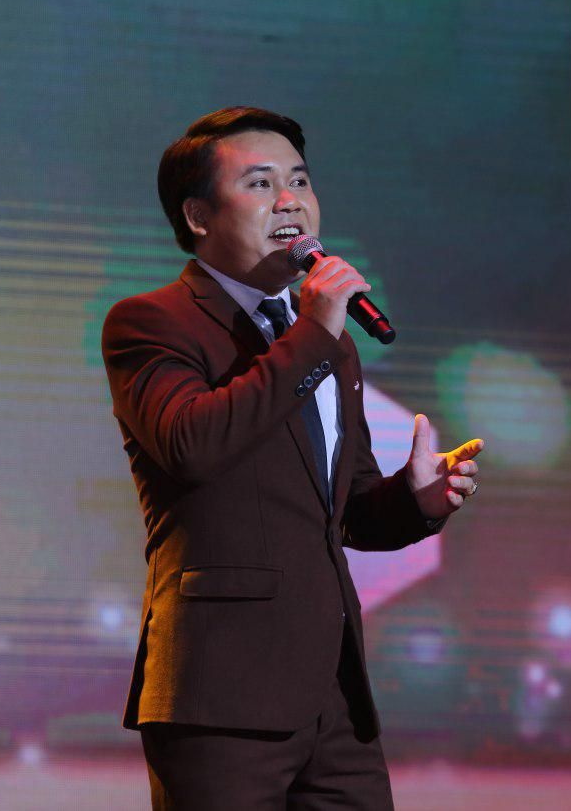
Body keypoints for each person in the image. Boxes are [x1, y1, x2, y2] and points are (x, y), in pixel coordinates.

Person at [101, 106, 483, 810]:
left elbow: (348, 511)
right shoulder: (152, 322)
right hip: (219, 694)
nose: (290, 201)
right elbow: (191, 445)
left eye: (300, 180)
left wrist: (416, 499)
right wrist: (312, 332)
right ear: (197, 216)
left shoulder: (328, 341)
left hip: (336, 697)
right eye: (260, 183)